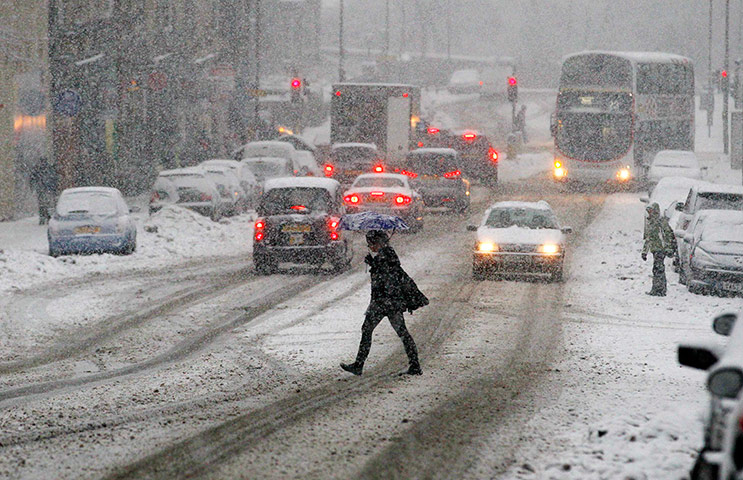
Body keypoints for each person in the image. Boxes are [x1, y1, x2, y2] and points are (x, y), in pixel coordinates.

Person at [341, 230, 428, 376]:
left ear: (379, 243)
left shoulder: (387, 256)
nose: (370, 247)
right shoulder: (386, 255)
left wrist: (374, 265)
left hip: (385, 302)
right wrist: (374, 263)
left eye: (371, 244)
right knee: (400, 332)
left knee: (369, 330)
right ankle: (414, 364)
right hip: (387, 302)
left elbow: (387, 278)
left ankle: (359, 365)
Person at [641, 202, 675, 296]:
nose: (649, 213)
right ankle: (658, 289)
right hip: (656, 249)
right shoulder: (652, 222)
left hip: (660, 249)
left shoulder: (659, 223)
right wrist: (644, 252)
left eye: (651, 211)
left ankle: (659, 289)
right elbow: (648, 238)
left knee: (658, 268)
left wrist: (667, 248)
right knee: (657, 268)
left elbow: (666, 236)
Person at [29, 157, 58, 225]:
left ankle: (43, 217)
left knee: (42, 204)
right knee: (47, 203)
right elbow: (53, 178)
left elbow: (32, 178)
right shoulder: (49, 168)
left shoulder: (37, 168)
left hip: (41, 188)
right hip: (46, 188)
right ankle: (46, 216)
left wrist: (32, 186)